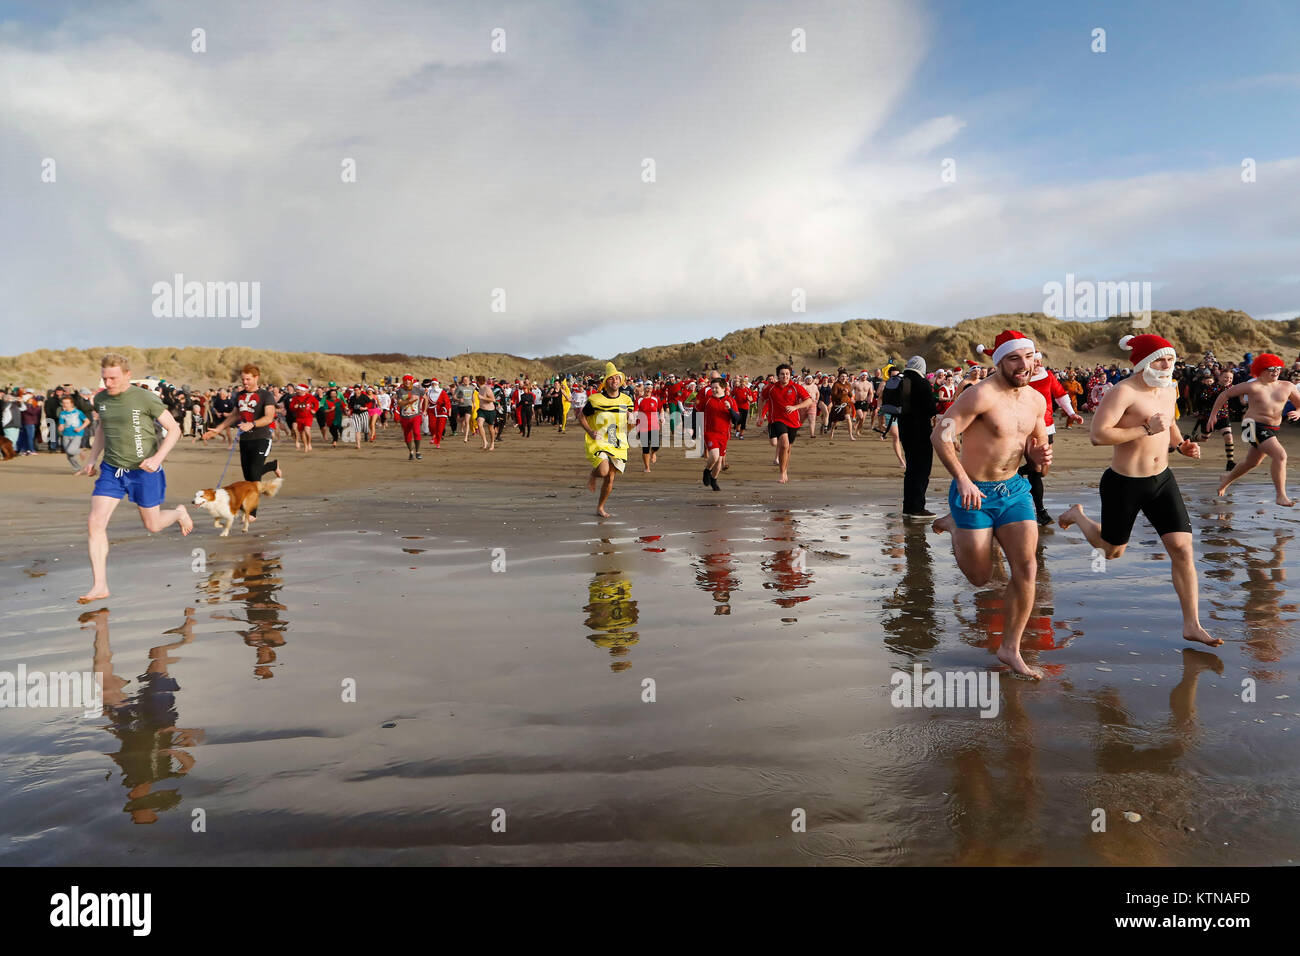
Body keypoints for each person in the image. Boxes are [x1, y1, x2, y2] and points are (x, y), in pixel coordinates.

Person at [1058, 334, 1220, 647]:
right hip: (1124, 483)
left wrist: (1181, 444)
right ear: (1144, 362)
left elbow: (1169, 421)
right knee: (1113, 551)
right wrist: (1145, 428)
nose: (1167, 365)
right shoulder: (1123, 392)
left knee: (1182, 549)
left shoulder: (1169, 386)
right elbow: (1098, 435)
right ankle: (1078, 515)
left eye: (1170, 359)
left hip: (1162, 480)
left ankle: (1192, 625)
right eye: (1160, 359)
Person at [930, 330, 1051, 678]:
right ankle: (954, 523)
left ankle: (1010, 648)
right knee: (980, 578)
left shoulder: (1036, 401)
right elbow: (941, 434)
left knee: (1026, 569)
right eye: (1014, 358)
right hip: (974, 493)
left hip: (1014, 490)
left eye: (1028, 357)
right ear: (999, 361)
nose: (1023, 365)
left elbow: (1038, 458)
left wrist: (1038, 455)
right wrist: (962, 479)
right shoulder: (979, 395)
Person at [76, 354, 194, 603]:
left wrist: (158, 458)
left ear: (127, 375)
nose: (108, 383)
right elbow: (102, 430)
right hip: (113, 470)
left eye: (113, 378)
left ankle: (179, 512)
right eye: (105, 378)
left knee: (153, 525)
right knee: (94, 523)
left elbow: (174, 429)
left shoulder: (145, 398)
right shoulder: (101, 399)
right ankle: (100, 585)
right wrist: (91, 460)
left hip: (145, 470)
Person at [1209, 352, 1300, 505]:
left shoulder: (1288, 386)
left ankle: (1226, 479)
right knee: (1280, 456)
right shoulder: (1252, 386)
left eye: (1278, 368)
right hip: (1251, 426)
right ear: (1261, 370)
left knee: (1252, 462)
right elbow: (1225, 395)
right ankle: (1281, 495)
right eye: (1271, 368)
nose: (1276, 371)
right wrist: (1213, 415)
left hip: (1272, 428)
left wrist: (1298, 412)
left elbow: (1299, 404)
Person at [1017, 352, 1083, 525]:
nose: (1038, 363)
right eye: (1035, 361)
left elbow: (1060, 396)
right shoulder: (1020, 378)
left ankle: (1018, 473)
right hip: (1026, 428)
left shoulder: (1048, 376)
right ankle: (1040, 511)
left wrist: (1072, 414)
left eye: (1040, 361)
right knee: (1036, 470)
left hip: (1047, 426)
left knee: (1043, 470)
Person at [203, 364, 283, 484]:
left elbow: (269, 417)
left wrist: (252, 424)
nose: (245, 382)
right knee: (248, 476)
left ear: (256, 378)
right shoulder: (240, 395)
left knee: (255, 475)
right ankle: (273, 465)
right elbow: (235, 415)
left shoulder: (266, 395)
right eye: (243, 380)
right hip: (245, 439)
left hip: (262, 438)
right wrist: (218, 429)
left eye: (248, 379)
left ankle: (255, 499)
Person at [581, 363, 635, 517]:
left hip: (617, 440)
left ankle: (600, 507)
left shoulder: (626, 400)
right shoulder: (595, 400)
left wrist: (631, 422)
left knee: (610, 478)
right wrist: (590, 431)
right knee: (603, 471)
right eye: (611, 379)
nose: (615, 381)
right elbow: (582, 416)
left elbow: (627, 425)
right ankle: (593, 474)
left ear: (620, 381)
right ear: (606, 382)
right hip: (599, 439)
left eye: (617, 378)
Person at [898, 356, 938, 518]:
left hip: (903, 428)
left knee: (911, 469)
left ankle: (908, 506)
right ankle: (916, 508)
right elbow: (930, 408)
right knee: (921, 469)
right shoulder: (921, 383)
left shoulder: (901, 380)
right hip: (920, 430)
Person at [763, 363, 816, 484]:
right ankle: (781, 473)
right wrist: (760, 416)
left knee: (788, 448)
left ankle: (785, 470)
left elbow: (808, 400)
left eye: (787, 374)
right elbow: (762, 398)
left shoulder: (796, 387)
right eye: (782, 374)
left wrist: (795, 407)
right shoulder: (771, 388)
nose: (785, 376)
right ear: (778, 376)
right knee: (784, 444)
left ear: (790, 375)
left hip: (793, 421)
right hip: (777, 419)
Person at [697, 374, 737, 490]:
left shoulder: (730, 400)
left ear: (723, 388)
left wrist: (729, 408)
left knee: (719, 461)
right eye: (712, 388)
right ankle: (706, 471)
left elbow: (737, 418)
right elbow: (697, 409)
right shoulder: (707, 400)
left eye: (716, 388)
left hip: (724, 434)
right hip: (710, 432)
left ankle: (714, 480)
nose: (713, 390)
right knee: (714, 456)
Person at [393, 374, 428, 460]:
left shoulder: (418, 390)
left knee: (416, 432)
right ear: (403, 381)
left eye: (409, 380)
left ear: (412, 381)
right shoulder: (400, 391)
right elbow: (400, 403)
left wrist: (425, 410)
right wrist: (409, 401)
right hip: (404, 417)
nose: (407, 381)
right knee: (407, 435)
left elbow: (426, 398)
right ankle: (411, 452)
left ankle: (418, 452)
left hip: (415, 415)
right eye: (405, 380)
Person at [57, 393, 90, 470]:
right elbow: (61, 424)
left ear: (71, 404)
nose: (65, 405)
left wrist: (80, 428)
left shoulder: (78, 412)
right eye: (64, 403)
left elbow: (87, 421)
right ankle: (78, 468)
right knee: (69, 455)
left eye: (67, 403)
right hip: (66, 434)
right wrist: (60, 427)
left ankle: (80, 451)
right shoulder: (62, 413)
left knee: (71, 451)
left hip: (77, 434)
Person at [635, 382, 662, 472]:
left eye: (650, 388)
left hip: (654, 426)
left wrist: (662, 417)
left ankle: (653, 453)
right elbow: (635, 411)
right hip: (642, 426)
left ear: (652, 389)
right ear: (644, 389)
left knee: (656, 446)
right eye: (647, 388)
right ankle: (647, 467)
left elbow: (661, 409)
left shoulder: (656, 399)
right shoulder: (639, 400)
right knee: (645, 447)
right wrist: (633, 418)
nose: (648, 390)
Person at [288, 383, 319, 453]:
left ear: (303, 390)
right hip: (299, 417)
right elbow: (291, 407)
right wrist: (294, 407)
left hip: (308, 417)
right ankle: (305, 446)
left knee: (307, 431)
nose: (297, 391)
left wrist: (314, 410)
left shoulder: (310, 397)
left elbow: (316, 403)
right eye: (297, 390)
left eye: (298, 389)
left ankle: (309, 443)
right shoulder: (295, 398)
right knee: (302, 433)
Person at [426, 379, 452, 447]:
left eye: (435, 384)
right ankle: (433, 436)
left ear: (437, 384)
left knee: (440, 428)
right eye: (433, 384)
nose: (434, 385)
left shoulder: (442, 392)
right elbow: (425, 402)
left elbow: (447, 402)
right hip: (431, 410)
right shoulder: (428, 392)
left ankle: (438, 442)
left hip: (441, 411)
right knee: (431, 426)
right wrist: (424, 410)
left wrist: (447, 409)